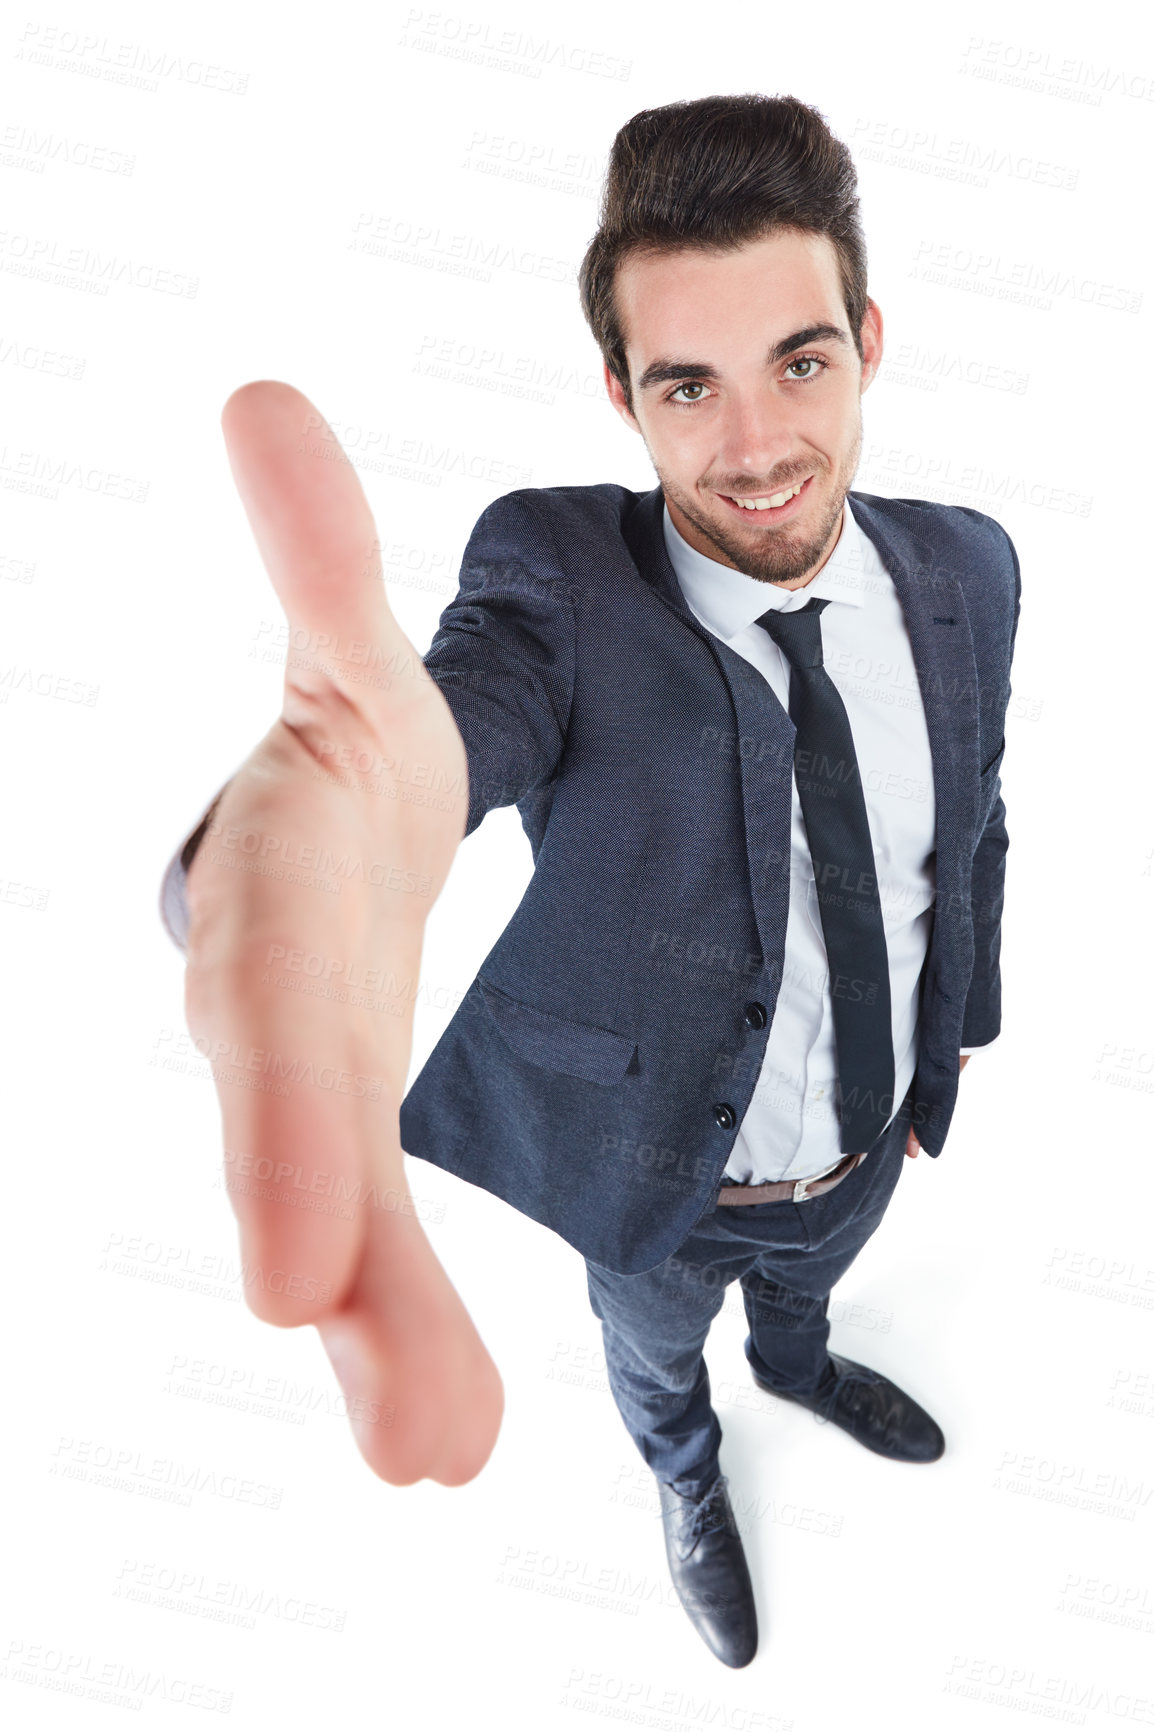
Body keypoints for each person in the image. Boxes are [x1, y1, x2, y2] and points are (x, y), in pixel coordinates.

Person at [158, 93, 1020, 1669]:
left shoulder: (968, 569)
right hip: (658, 1191)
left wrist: (951, 1030)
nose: (754, 446)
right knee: (653, 1356)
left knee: (809, 1291)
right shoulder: (556, 581)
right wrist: (318, 837)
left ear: (870, 339)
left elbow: (970, 822)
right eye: (687, 385)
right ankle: (685, 1474)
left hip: (869, 1139)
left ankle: (802, 1364)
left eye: (799, 362)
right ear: (620, 392)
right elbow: (448, 722)